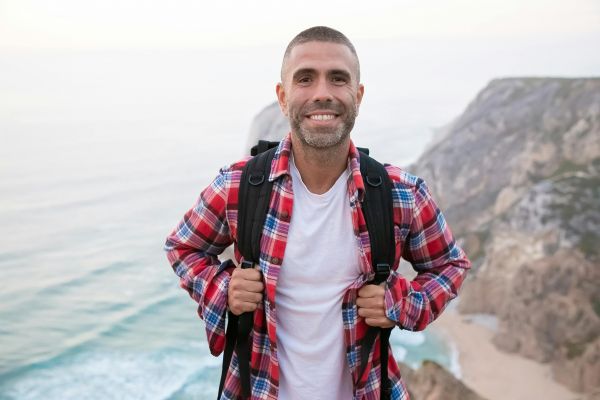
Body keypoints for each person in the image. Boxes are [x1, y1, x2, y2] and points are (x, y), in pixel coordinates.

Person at [165, 26, 471, 400]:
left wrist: (401, 303)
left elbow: (450, 266)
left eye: (338, 79)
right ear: (283, 97)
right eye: (305, 78)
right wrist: (224, 288)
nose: (322, 93)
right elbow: (182, 247)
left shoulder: (401, 194)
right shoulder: (237, 185)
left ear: (358, 95)